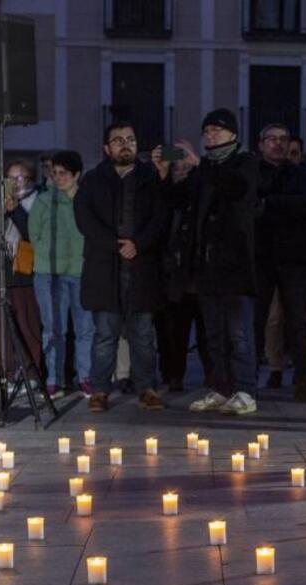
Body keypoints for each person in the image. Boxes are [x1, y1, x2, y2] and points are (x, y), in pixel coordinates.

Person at [158, 108, 261, 414]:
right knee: (212, 334)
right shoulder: (203, 170)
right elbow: (178, 200)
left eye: (217, 130)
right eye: (207, 131)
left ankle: (245, 390)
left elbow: (237, 188)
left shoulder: (246, 161)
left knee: (239, 334)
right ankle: (220, 388)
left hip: (235, 265)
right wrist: (164, 175)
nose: (211, 135)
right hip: (205, 267)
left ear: (233, 133)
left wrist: (198, 163)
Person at [75, 120, 168, 412]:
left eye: (130, 139)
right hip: (105, 267)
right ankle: (100, 389)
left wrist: (138, 244)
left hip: (142, 266)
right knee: (105, 335)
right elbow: (85, 219)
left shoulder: (151, 177)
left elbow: (161, 216)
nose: (125, 144)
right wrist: (115, 245)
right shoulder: (92, 179)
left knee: (143, 334)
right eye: (118, 140)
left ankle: (147, 387)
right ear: (107, 148)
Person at [253, 122, 306, 403]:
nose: (278, 144)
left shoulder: (302, 175)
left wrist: (269, 204)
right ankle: (248, 381)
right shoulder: (253, 172)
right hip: (260, 257)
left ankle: (302, 379)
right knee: (256, 321)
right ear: (261, 144)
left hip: (294, 257)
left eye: (283, 139)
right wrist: (283, 205)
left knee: (297, 321)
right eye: (272, 139)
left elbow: (305, 205)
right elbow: (251, 206)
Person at [29, 150, 92, 398]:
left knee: (85, 328)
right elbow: (34, 234)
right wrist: (44, 253)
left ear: (76, 174)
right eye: (54, 173)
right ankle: (54, 378)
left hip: (80, 271)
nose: (58, 178)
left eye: (63, 173)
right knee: (53, 328)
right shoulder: (44, 200)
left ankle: (85, 375)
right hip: (48, 273)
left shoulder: (86, 199)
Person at [155, 156, 213, 392]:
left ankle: (211, 374)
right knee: (173, 333)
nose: (181, 172)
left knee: (206, 333)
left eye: (187, 168)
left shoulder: (198, 199)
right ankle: (173, 374)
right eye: (177, 168)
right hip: (173, 277)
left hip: (198, 276)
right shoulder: (166, 198)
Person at [0, 160, 45, 389]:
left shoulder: (36, 202)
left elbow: (33, 233)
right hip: (4, 274)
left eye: (19, 178)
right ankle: (7, 374)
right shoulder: (0, 203)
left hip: (25, 273)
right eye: (9, 178)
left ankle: (32, 373)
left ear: (30, 180)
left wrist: (15, 210)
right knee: (4, 330)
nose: (14, 183)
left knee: (28, 326)